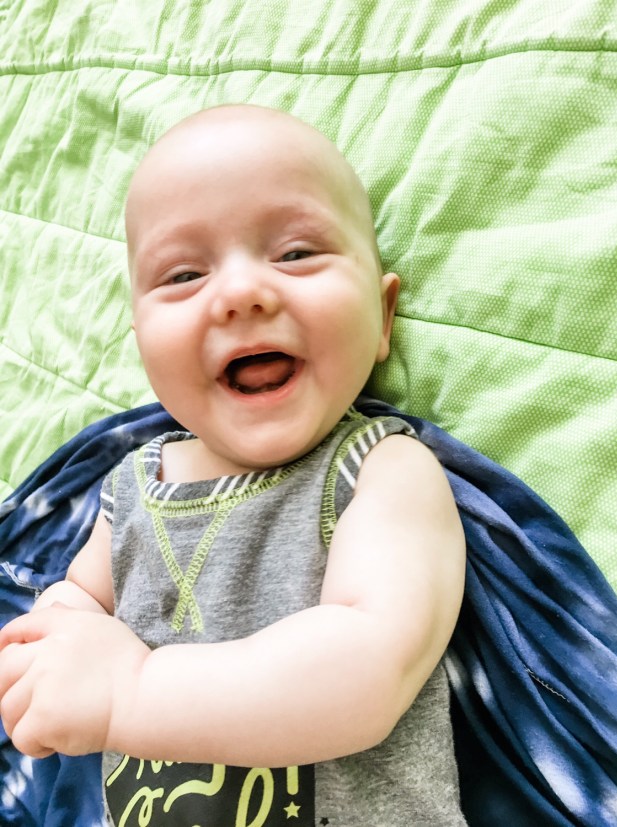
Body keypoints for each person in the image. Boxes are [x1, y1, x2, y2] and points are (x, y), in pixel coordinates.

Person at [0, 104, 467, 826]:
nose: (242, 293)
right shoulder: (132, 486)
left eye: (296, 253)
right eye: (184, 273)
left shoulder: (381, 471)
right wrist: (48, 651)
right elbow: (77, 603)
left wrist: (130, 689)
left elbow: (372, 667)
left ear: (383, 316)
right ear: (142, 340)